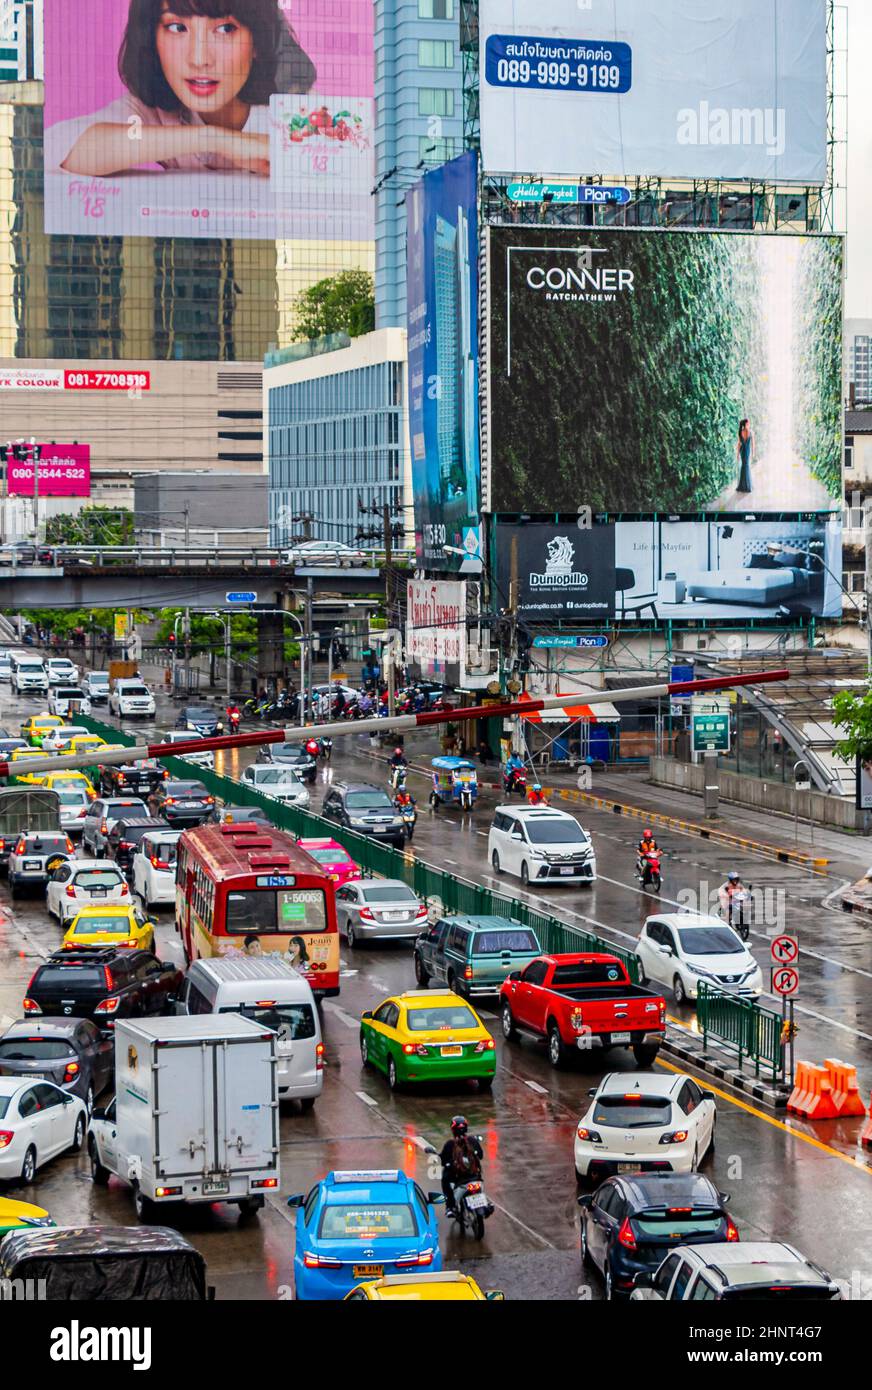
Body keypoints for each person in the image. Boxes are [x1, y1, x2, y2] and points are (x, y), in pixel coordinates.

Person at [47, 0, 316, 180]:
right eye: (177, 27)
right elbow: (59, 148)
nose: (199, 59)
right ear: (153, 38)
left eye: (225, 29)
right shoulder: (151, 112)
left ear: (257, 40)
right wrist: (215, 138)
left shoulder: (298, 114)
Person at [440, 1116, 483, 1216]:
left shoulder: (449, 1144)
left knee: (445, 1179)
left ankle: (450, 1207)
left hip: (459, 1178)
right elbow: (480, 1156)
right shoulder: (473, 1140)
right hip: (475, 1176)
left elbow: (443, 1161)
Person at [736, 418, 755, 494]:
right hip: (744, 451)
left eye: (749, 424)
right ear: (744, 425)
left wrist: (753, 452)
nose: (749, 425)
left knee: (745, 465)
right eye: (747, 424)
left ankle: (743, 485)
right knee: (745, 466)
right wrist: (737, 454)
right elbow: (739, 443)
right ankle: (746, 486)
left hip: (745, 451)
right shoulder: (745, 432)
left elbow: (753, 444)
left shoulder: (749, 432)